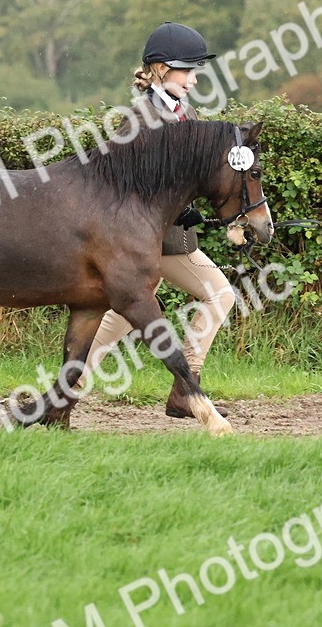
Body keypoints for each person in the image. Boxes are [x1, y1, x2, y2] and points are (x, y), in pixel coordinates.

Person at [78, 22, 237, 418]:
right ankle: (187, 386)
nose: (195, 79)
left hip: (169, 235)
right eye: (188, 70)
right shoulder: (138, 119)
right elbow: (129, 188)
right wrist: (182, 209)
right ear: (162, 69)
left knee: (122, 314)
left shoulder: (186, 112)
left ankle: (71, 386)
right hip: (151, 239)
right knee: (220, 294)